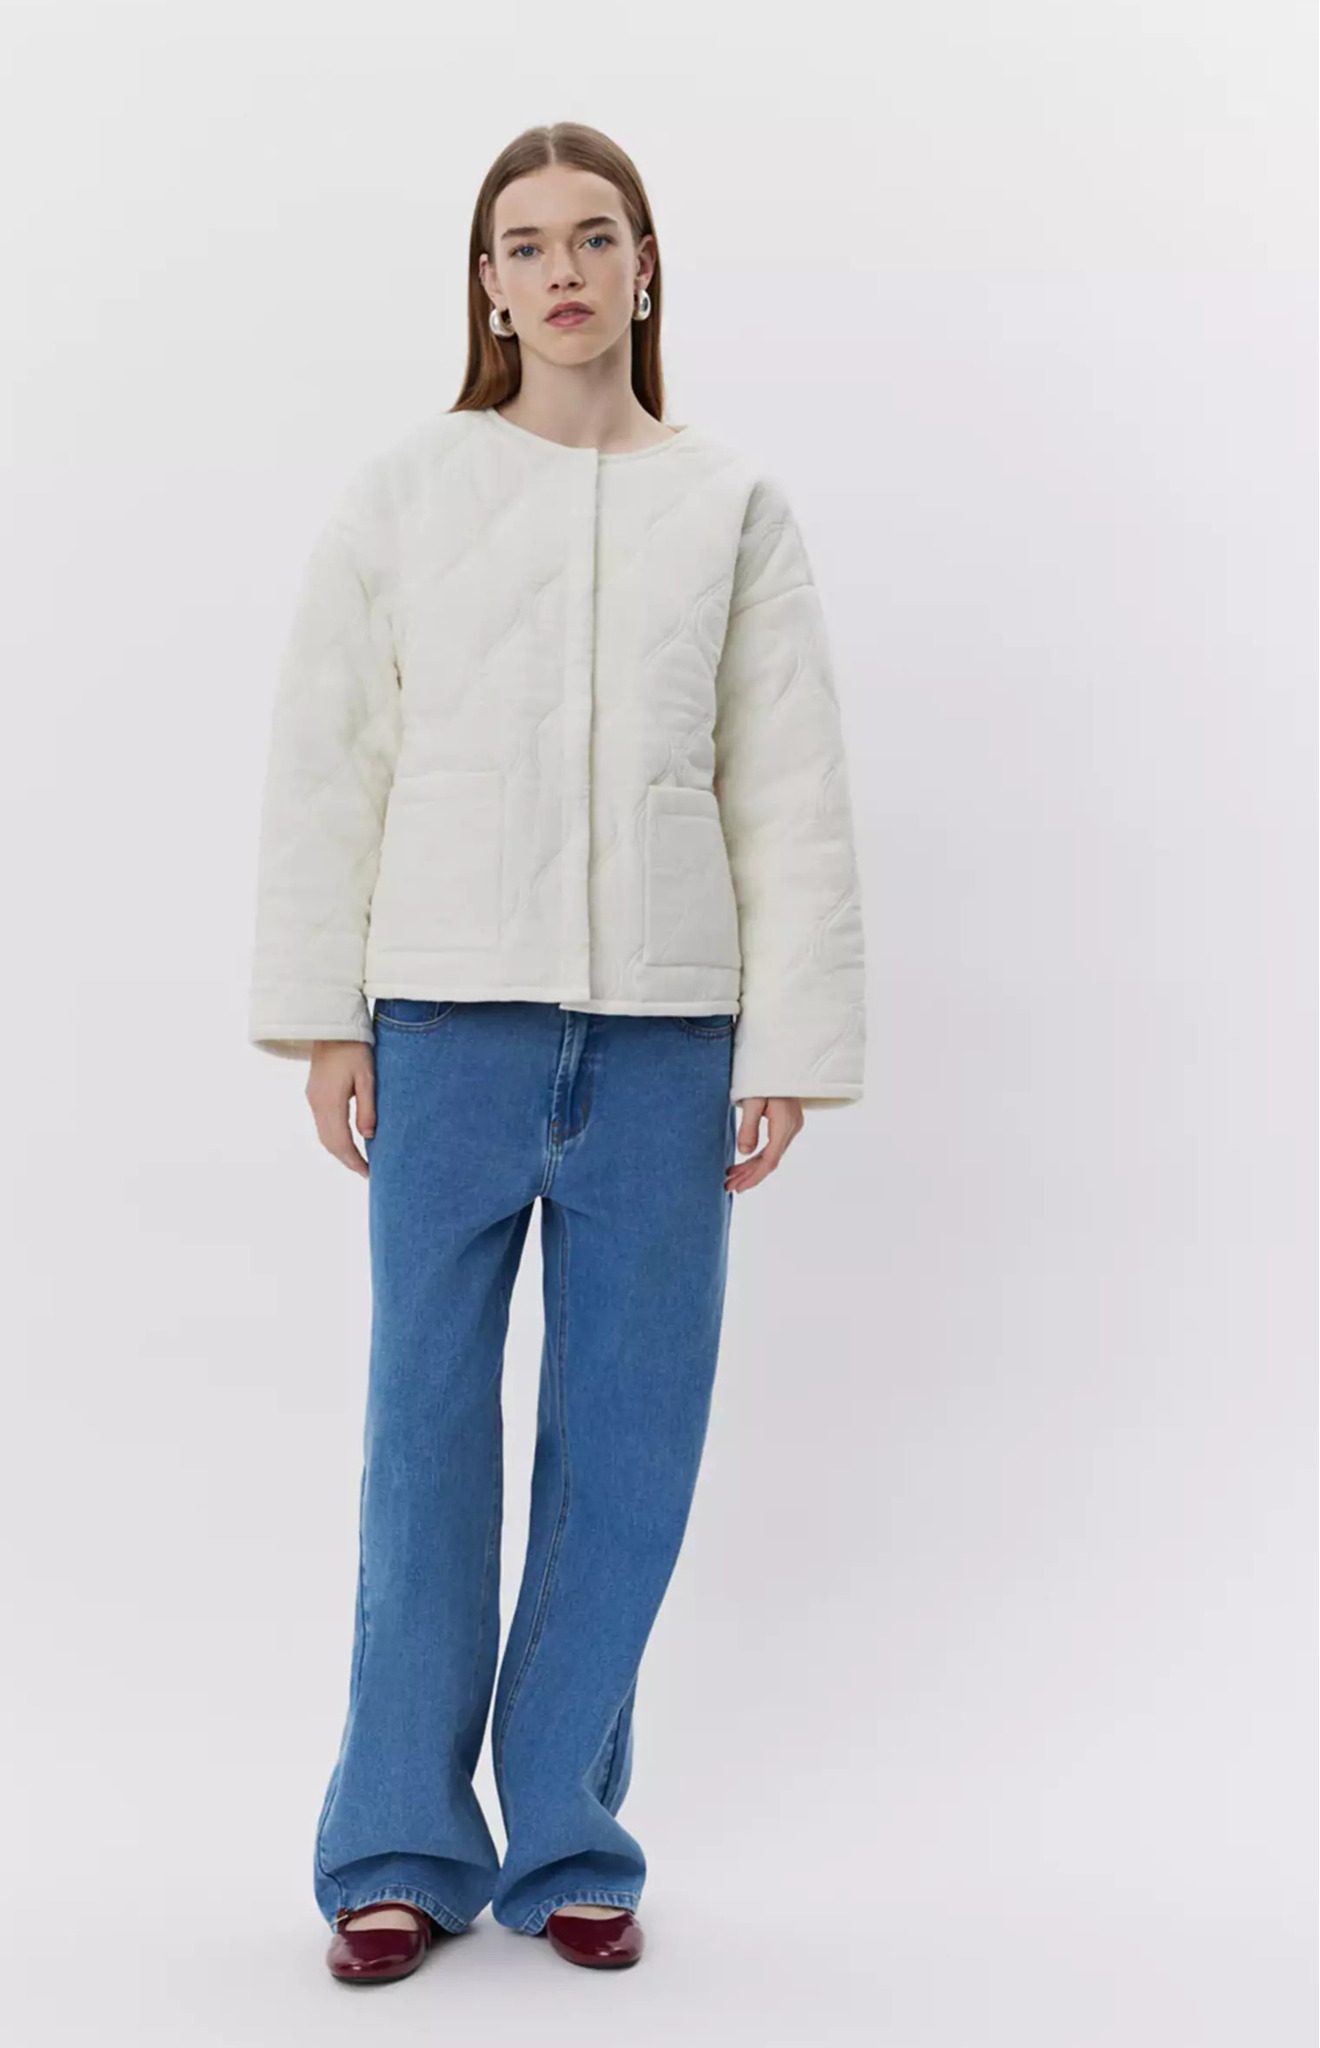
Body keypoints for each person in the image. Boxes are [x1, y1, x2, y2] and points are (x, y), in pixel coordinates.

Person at [248, 120, 867, 1985]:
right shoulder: (409, 492)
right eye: (526, 245)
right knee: (425, 1444)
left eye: (596, 237)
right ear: (489, 288)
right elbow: (331, 755)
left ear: (646, 267)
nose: (565, 270)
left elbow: (788, 785)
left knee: (630, 1453)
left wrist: (787, 1041)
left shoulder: (732, 505)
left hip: (669, 1047)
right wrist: (325, 1017)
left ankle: (572, 1837)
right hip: (446, 1029)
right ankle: (396, 1846)